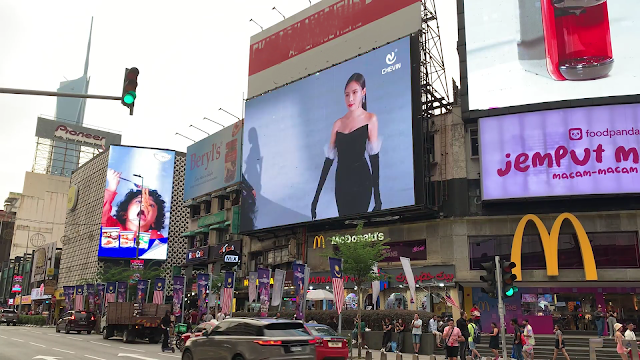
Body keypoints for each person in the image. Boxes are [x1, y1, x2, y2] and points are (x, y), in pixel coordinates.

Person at [311, 73, 382, 219]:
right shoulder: (338, 124)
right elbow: (328, 161)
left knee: (359, 228)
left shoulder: (370, 119)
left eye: (354, 93)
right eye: (346, 94)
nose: (350, 98)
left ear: (363, 92)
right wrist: (315, 198)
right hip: (342, 183)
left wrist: (377, 198)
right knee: (344, 228)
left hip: (362, 181)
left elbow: (374, 159)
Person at [102, 169, 167, 244]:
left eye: (151, 205)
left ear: (154, 221)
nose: (144, 205)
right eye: (138, 201)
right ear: (124, 214)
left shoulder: (155, 238)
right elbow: (101, 213)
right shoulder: (111, 227)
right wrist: (111, 187)